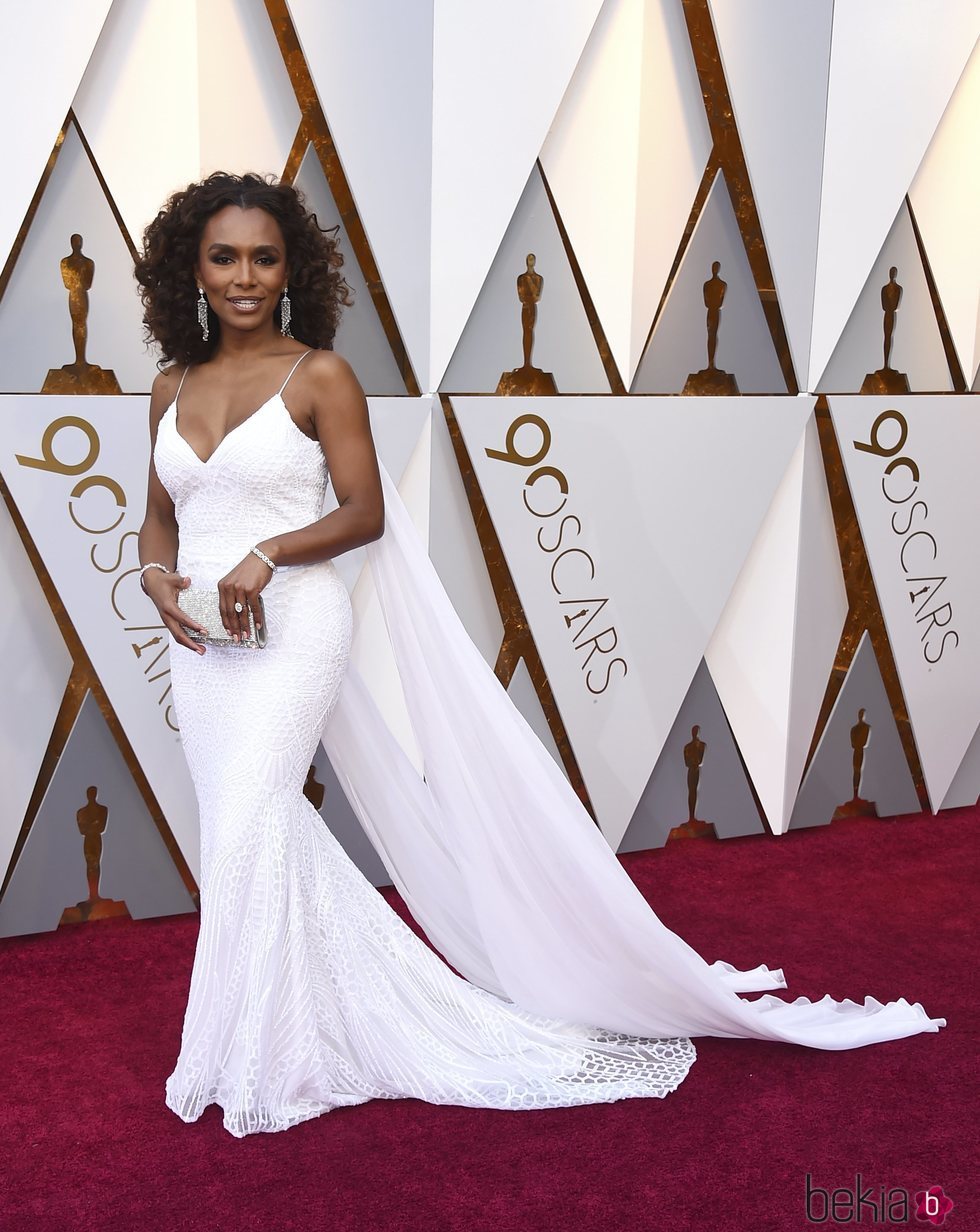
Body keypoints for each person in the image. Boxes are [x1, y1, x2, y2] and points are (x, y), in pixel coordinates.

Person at [135, 173, 945, 1140]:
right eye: (223, 256)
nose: (244, 276)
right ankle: (279, 1030)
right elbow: (160, 517)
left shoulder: (320, 375)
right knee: (241, 833)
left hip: (291, 627)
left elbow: (364, 513)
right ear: (190, 266)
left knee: (252, 822)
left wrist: (268, 553)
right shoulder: (168, 386)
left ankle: (268, 1050)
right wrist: (154, 576)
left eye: (264, 257)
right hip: (205, 647)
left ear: (291, 267)